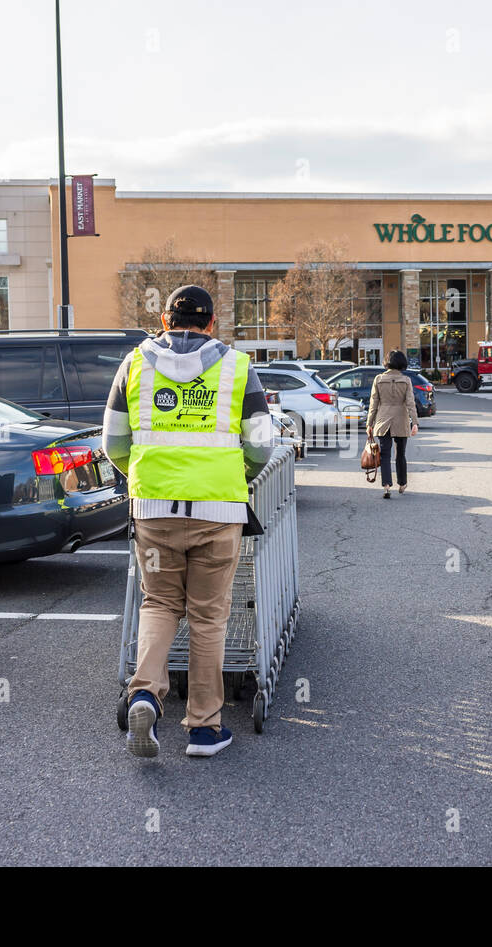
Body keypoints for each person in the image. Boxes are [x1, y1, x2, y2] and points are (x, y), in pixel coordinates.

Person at [103, 285, 274, 758]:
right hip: (218, 509)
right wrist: (239, 475)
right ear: (212, 323)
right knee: (208, 615)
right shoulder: (239, 367)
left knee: (158, 602)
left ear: (164, 320)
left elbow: (113, 442)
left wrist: (143, 479)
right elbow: (260, 444)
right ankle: (203, 728)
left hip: (154, 508)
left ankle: (144, 695)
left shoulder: (133, 363)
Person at [366, 350, 419, 498]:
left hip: (383, 421)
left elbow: (373, 403)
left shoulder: (378, 379)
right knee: (400, 454)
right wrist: (414, 422)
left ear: (387, 361)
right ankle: (402, 484)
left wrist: (369, 424)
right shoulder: (406, 380)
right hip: (401, 420)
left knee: (384, 455)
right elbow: (410, 403)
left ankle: (387, 486)